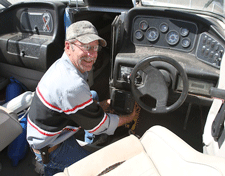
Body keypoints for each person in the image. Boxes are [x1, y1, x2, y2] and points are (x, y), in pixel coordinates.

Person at [26, 20, 139, 176]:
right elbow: (100, 125)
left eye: (95, 48)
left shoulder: (63, 65)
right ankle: (51, 166)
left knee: (92, 96)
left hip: (49, 131)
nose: (92, 55)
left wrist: (100, 104)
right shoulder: (72, 84)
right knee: (101, 169)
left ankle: (83, 146)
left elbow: (73, 101)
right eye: (86, 47)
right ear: (68, 47)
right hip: (52, 148)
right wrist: (129, 118)